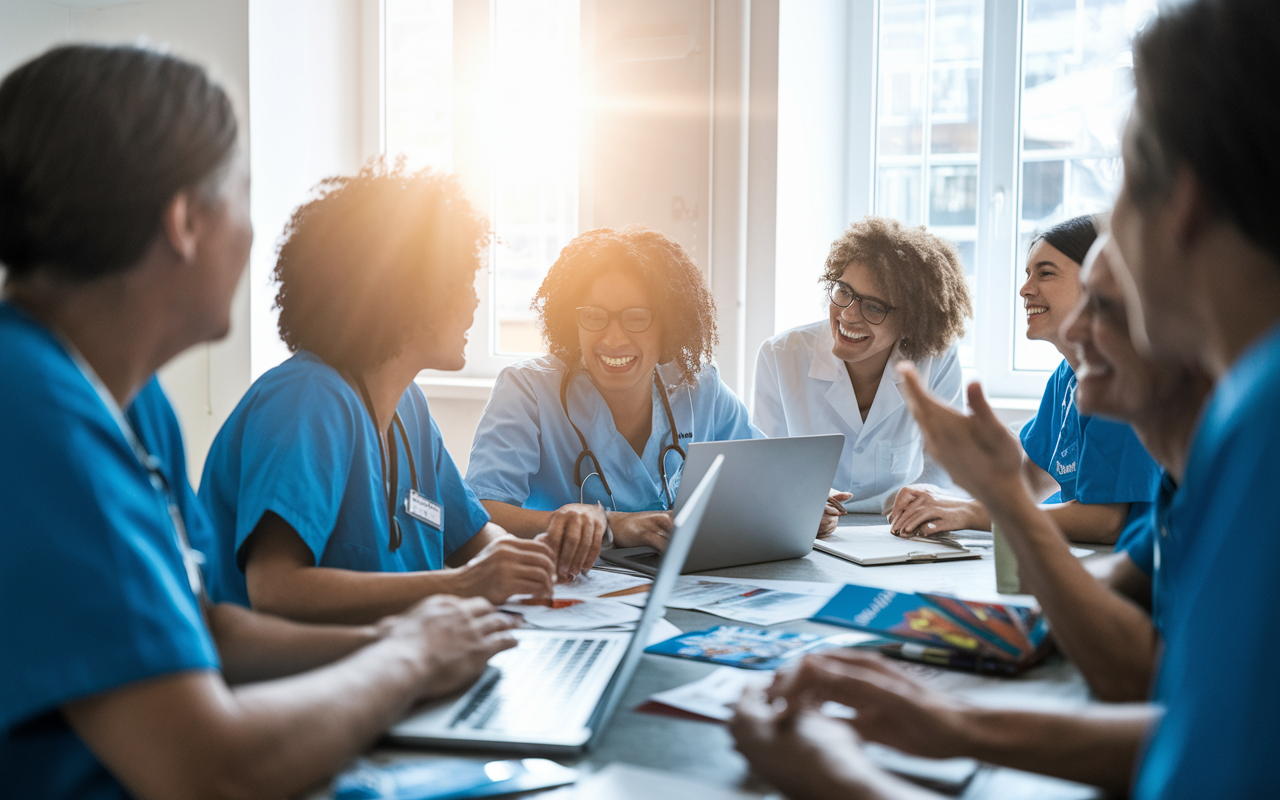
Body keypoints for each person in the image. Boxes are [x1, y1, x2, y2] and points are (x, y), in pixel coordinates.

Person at [731, 1, 1280, 796]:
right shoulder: (1235, 419)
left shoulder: (1257, 422)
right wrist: (949, 719)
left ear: (1184, 199)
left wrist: (832, 776)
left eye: (1122, 181)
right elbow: (1183, 721)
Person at [0, 45, 517, 799]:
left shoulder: (132, 402)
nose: (251, 236)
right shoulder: (35, 415)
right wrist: (405, 659)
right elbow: (209, 770)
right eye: (244, 195)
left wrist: (399, 639)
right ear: (185, 221)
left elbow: (210, 630)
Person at [199, 162, 557, 625]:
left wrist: (544, 558)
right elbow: (276, 589)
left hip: (398, 666)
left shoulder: (410, 409)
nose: (474, 302)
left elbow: (474, 538)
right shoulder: (305, 402)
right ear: (410, 291)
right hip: (300, 682)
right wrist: (462, 584)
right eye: (464, 282)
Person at [466, 226, 760, 578]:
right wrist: (609, 524)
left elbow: (768, 475)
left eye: (637, 317)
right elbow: (481, 512)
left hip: (683, 586)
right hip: (567, 593)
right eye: (594, 316)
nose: (613, 338)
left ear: (668, 323)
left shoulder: (699, 387)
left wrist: (791, 508)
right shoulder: (528, 389)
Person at [889, 215, 1163, 546]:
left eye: (1045, 273)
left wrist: (970, 513)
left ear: (1098, 277)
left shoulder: (1122, 378)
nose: (1024, 289)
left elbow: (1105, 520)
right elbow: (1032, 480)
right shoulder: (1065, 377)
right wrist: (950, 494)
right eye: (1027, 274)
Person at [752, 217, 972, 535]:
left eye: (873, 307)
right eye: (844, 291)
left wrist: (923, 506)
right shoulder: (780, 355)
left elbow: (946, 465)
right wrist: (796, 500)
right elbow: (763, 465)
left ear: (912, 319)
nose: (848, 314)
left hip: (902, 529)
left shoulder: (936, 359)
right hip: (807, 528)